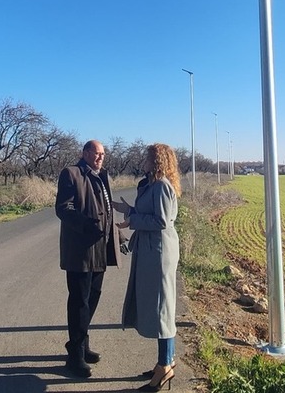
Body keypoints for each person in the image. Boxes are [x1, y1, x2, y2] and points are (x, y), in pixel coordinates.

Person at [114, 143, 181, 392]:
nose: (143, 160)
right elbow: (150, 214)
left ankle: (165, 366)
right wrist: (128, 210)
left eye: (147, 157)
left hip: (159, 253)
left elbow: (162, 221)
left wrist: (131, 220)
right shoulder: (154, 184)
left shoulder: (162, 185)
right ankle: (166, 361)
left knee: (162, 308)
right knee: (161, 306)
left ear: (157, 160)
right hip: (152, 250)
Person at [55, 139, 120, 378]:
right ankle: (75, 356)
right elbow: (64, 208)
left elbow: (107, 210)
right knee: (79, 301)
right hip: (80, 250)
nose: (100, 157)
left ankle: (81, 344)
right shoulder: (71, 174)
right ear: (85, 153)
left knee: (93, 297)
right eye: (96, 153)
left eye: (103, 153)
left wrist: (117, 236)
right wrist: (86, 225)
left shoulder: (102, 175)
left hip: (100, 249)